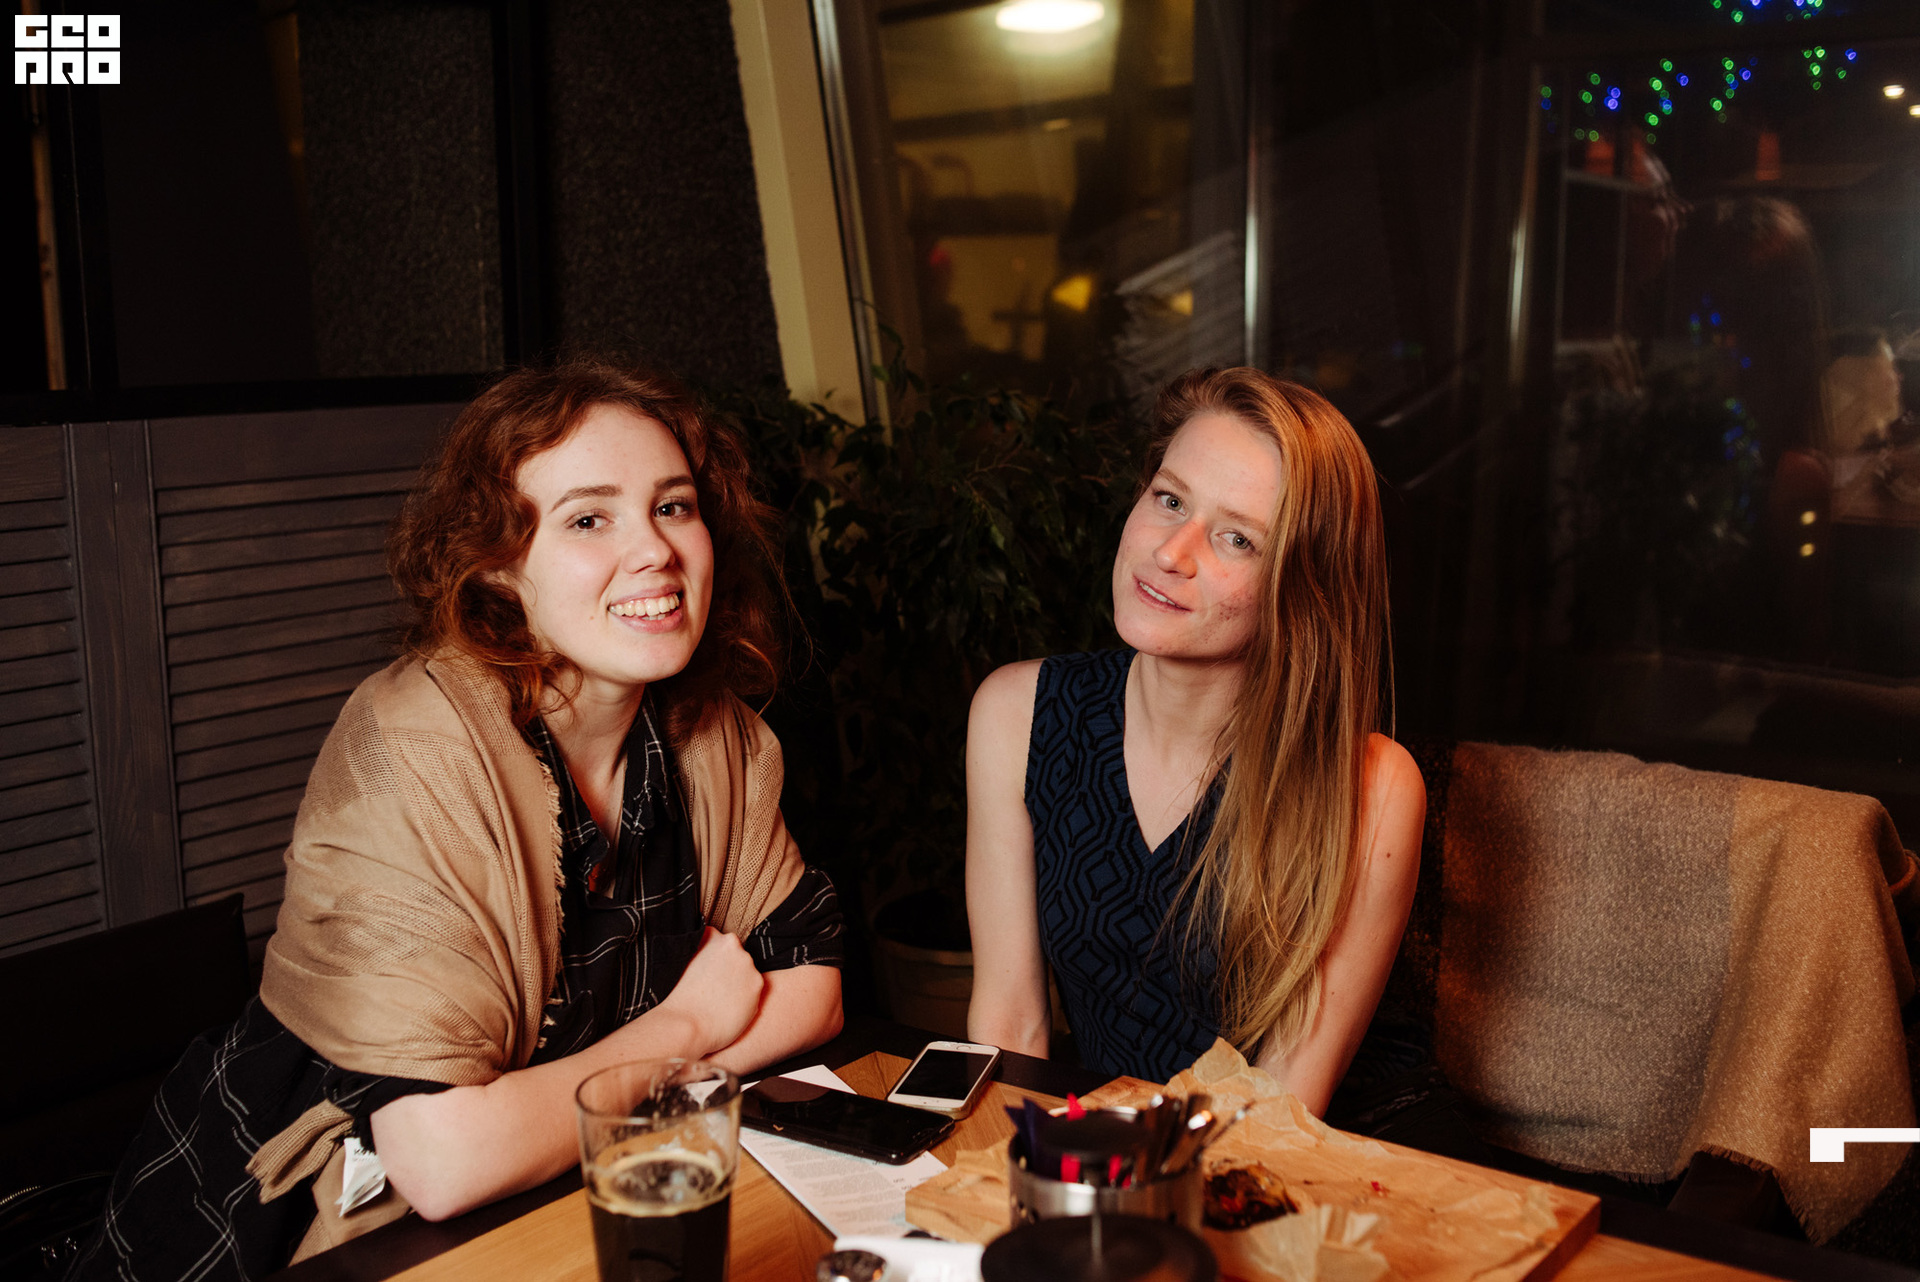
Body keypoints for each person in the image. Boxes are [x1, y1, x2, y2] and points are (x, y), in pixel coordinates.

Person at [71, 361, 844, 1279]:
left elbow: (815, 988)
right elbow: (443, 1160)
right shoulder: (412, 744)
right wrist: (685, 1027)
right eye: (589, 519)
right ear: (498, 562)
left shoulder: (714, 736)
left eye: (673, 506)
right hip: (286, 1232)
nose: (655, 550)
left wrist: (569, 1106)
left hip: (548, 1203)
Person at [965, 366, 1430, 1127]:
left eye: (1236, 538)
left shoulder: (1372, 786)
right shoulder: (1017, 715)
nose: (1171, 553)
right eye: (1170, 499)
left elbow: (1284, 1103)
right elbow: (1010, 1029)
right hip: (1116, 1143)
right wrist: (1017, 1181)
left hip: (1329, 1154)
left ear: (1300, 587)